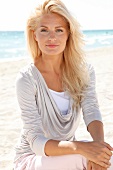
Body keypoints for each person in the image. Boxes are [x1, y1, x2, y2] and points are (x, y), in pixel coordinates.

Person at [14, 0, 113, 169]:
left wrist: (98, 152)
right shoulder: (27, 79)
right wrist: (82, 148)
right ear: (34, 35)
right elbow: (36, 142)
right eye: (44, 30)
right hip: (32, 158)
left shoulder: (84, 72)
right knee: (83, 158)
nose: (52, 37)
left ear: (68, 34)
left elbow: (91, 111)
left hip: (66, 155)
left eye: (59, 30)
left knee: (107, 159)